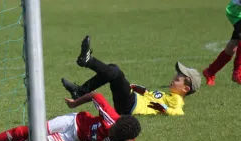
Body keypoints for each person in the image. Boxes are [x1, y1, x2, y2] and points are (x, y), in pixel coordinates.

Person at [61, 36, 201, 116]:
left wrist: (165, 109)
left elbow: (179, 112)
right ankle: (79, 91)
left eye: (177, 80)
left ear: (185, 89)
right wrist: (143, 90)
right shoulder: (170, 96)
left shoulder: (177, 100)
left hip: (130, 105)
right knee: (113, 69)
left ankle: (88, 63)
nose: (173, 80)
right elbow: (152, 98)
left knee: (115, 73)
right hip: (130, 101)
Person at [0, 92, 141, 141]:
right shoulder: (111, 117)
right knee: (35, 129)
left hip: (72, 138)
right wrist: (75, 103)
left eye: (113, 135)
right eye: (111, 130)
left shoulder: (120, 136)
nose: (109, 133)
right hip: (73, 122)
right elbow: (96, 95)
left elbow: (130, 140)